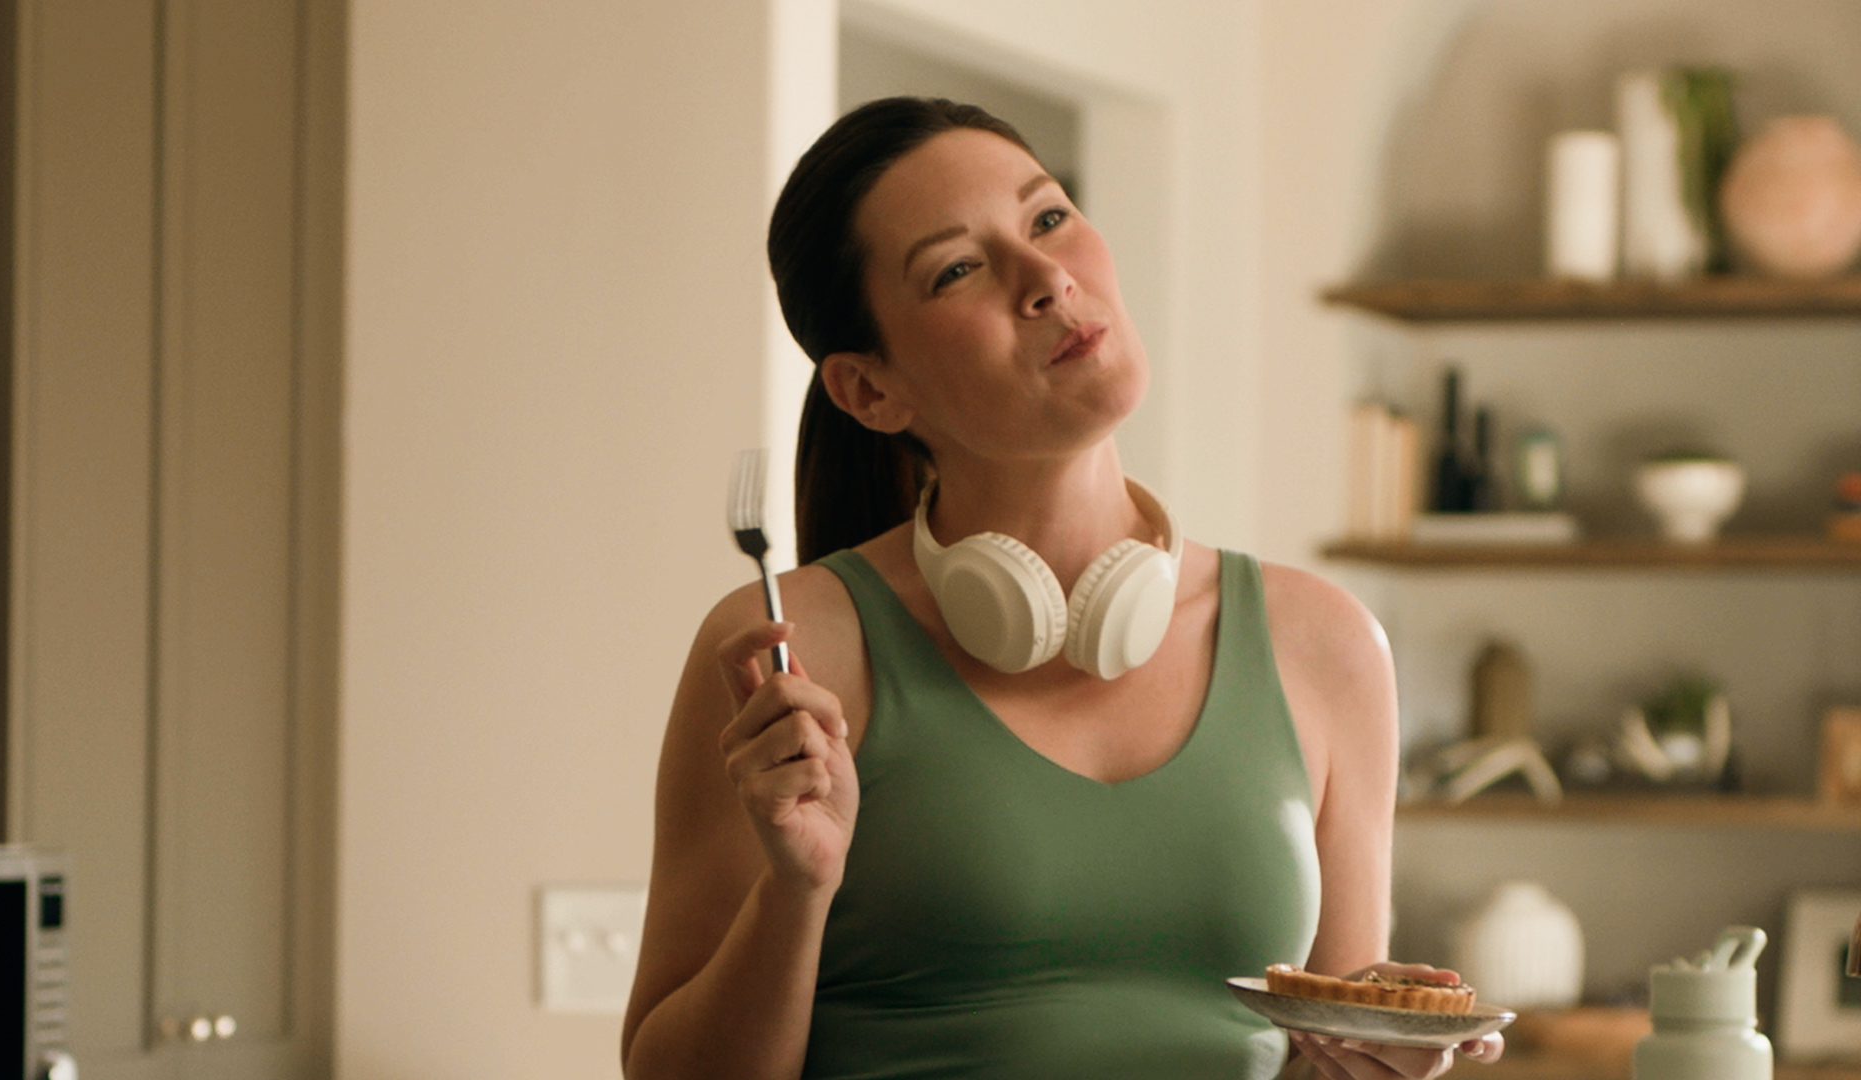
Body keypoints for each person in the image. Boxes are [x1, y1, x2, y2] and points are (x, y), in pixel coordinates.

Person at [621, 96, 1503, 1080]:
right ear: (871, 390)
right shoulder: (783, 651)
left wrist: (1375, 1058)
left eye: (1049, 217)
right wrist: (796, 889)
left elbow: (1326, 1050)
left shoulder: (1325, 643)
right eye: (958, 269)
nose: (1046, 277)